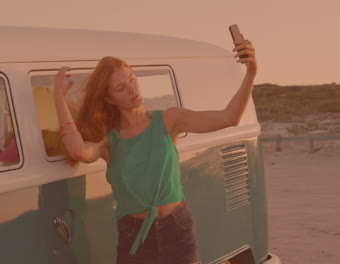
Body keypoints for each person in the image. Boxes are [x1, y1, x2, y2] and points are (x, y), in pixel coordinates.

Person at [54, 36, 256, 264]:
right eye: (121, 88)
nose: (131, 89)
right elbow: (78, 151)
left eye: (132, 80)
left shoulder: (170, 119)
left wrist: (250, 73)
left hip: (177, 229)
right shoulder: (109, 141)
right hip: (134, 235)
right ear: (110, 99)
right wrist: (59, 98)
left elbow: (230, 118)